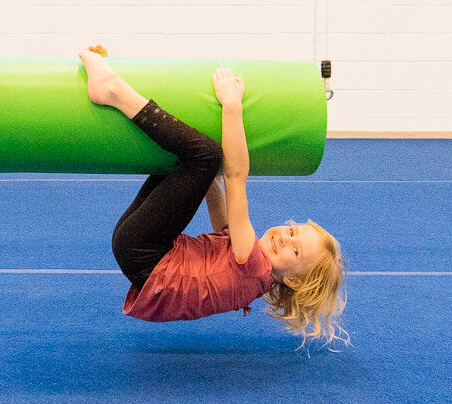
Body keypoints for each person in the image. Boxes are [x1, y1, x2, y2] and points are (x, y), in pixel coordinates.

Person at [77, 45, 349, 348]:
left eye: (295, 251)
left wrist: (232, 108)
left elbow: (235, 176)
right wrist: (203, 179)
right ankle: (121, 85)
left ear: (294, 281)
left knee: (205, 155)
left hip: (146, 255)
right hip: (140, 254)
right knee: (186, 158)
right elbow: (222, 222)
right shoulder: (252, 274)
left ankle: (112, 90)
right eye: (291, 231)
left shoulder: (255, 267)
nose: (285, 239)